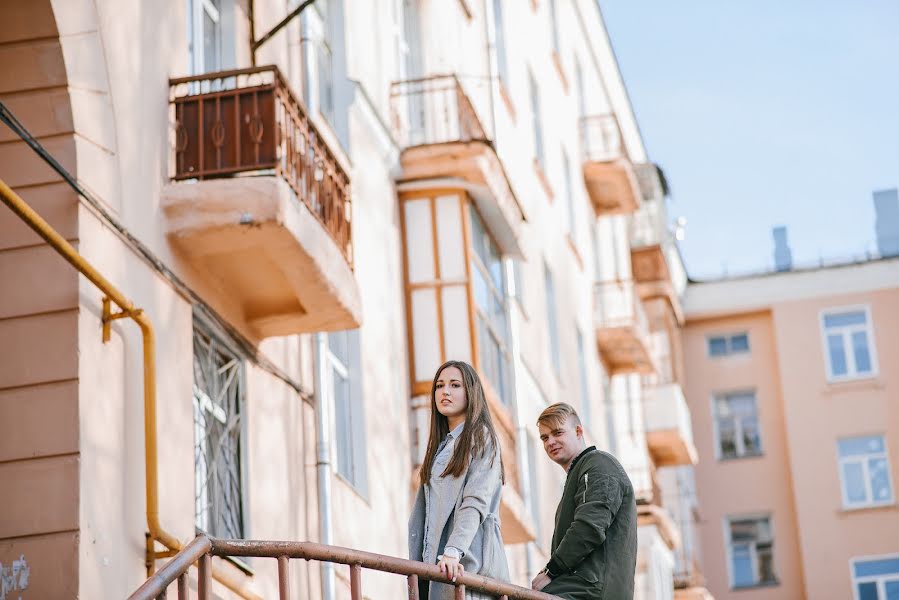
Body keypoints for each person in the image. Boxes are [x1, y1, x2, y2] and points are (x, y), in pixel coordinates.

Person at [409, 360, 510, 599]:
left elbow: (475, 501)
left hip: (467, 567)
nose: (445, 391)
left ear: (470, 392)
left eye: (455, 385)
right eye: (440, 386)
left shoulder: (480, 436)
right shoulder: (442, 447)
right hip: (436, 572)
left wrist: (454, 551)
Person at [531, 402, 637, 599]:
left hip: (591, 592)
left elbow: (589, 527)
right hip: (580, 588)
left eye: (558, 433)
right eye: (544, 438)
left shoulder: (598, 464)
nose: (550, 442)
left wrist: (551, 571)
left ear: (578, 431)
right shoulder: (580, 474)